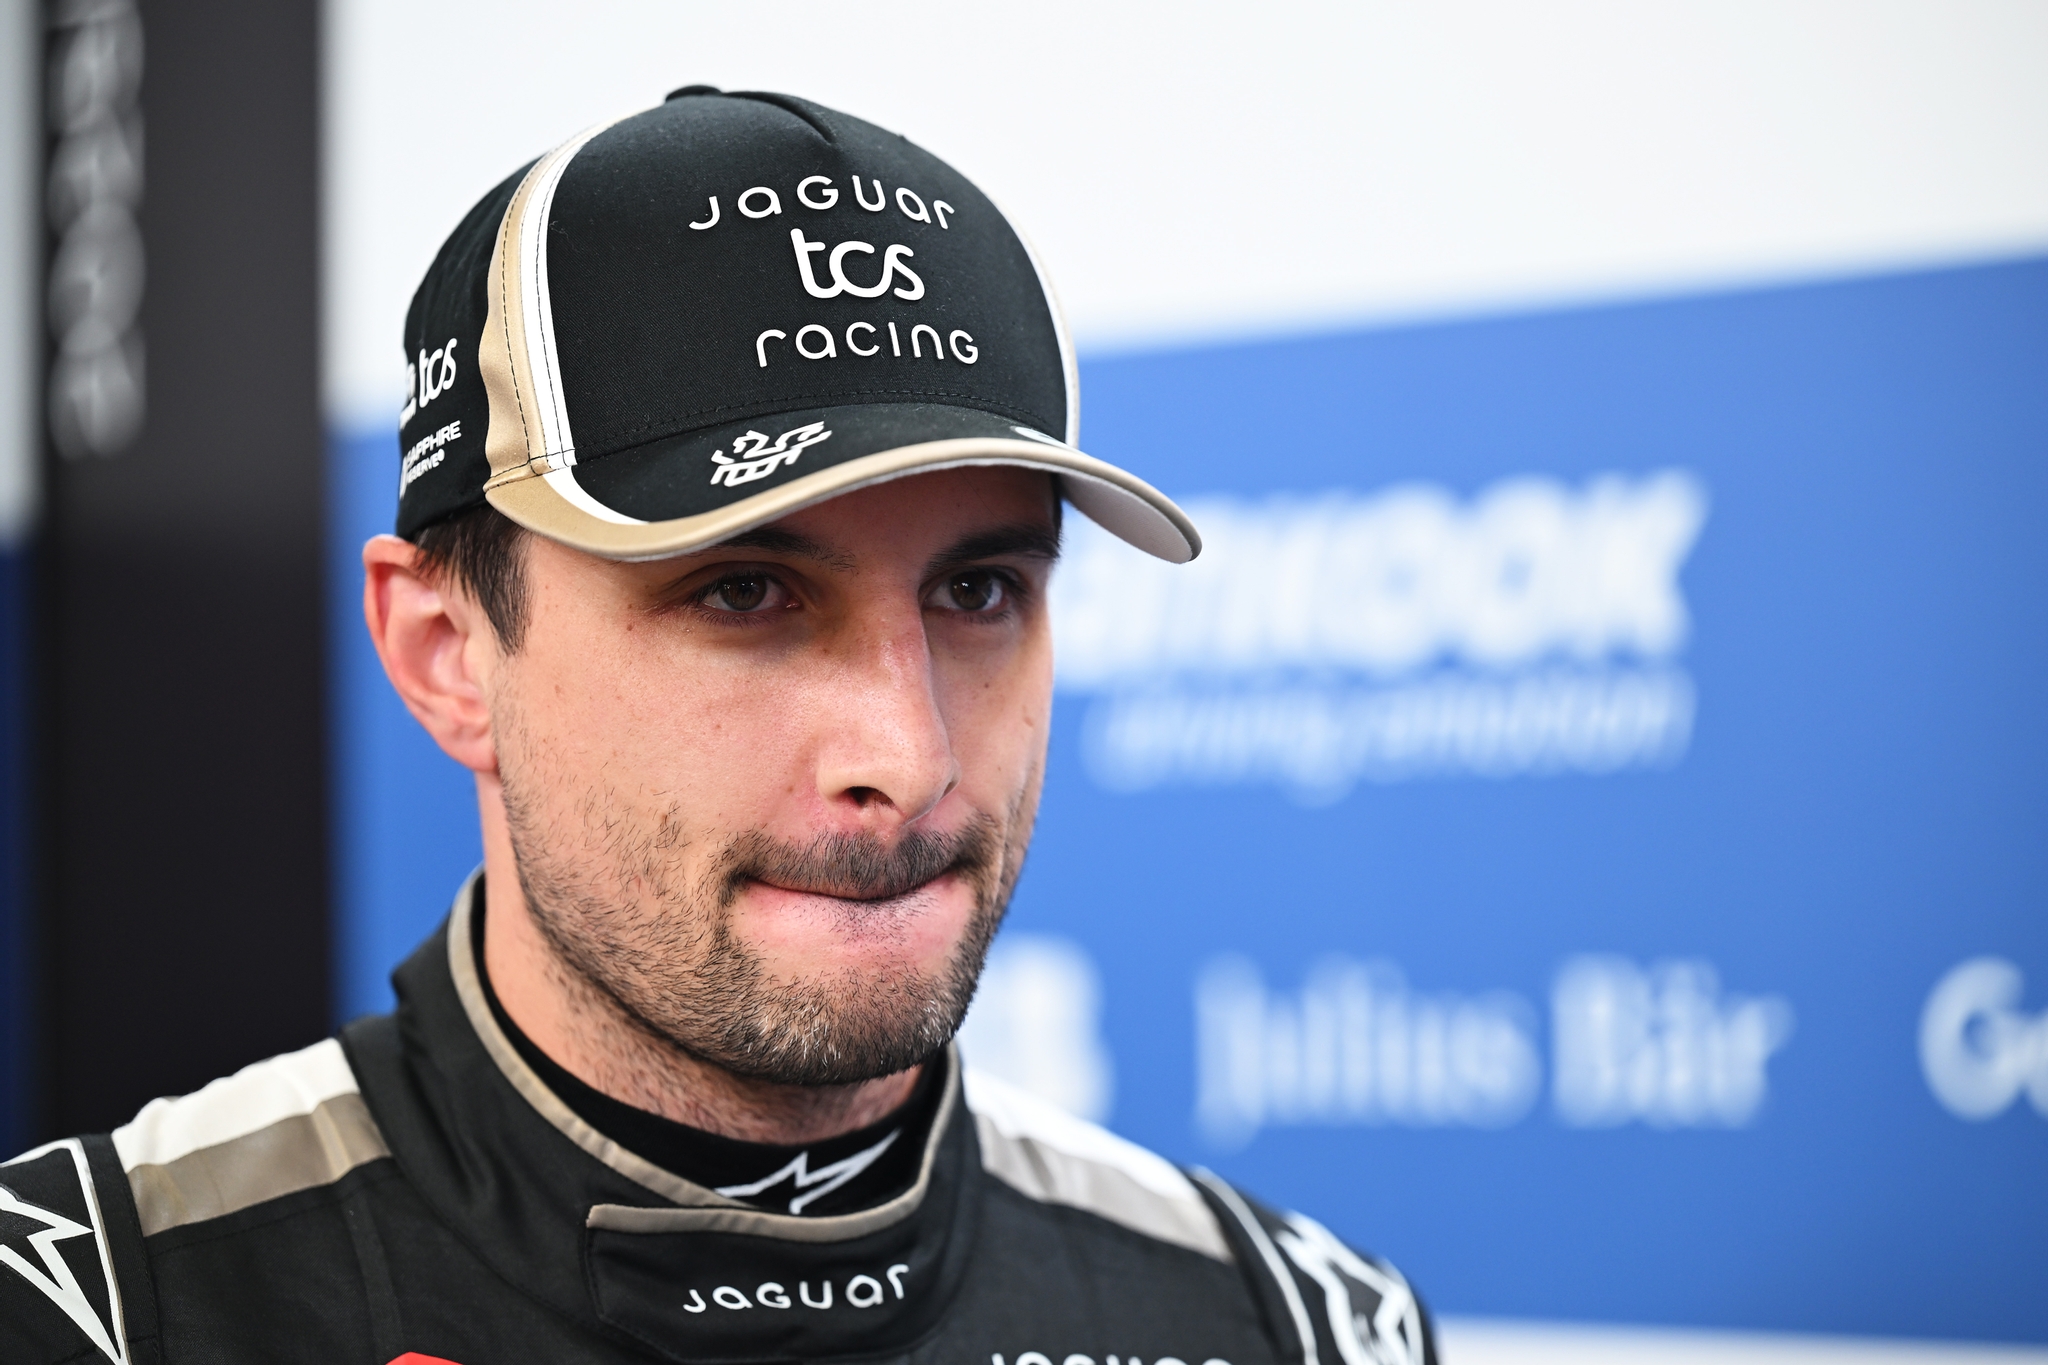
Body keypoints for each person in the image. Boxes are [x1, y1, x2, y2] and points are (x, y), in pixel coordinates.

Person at [1, 87, 1437, 1365]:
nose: (909, 757)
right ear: (449, 657)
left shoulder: (1296, 1327)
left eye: (979, 589)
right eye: (744, 591)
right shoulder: (97, 1310)